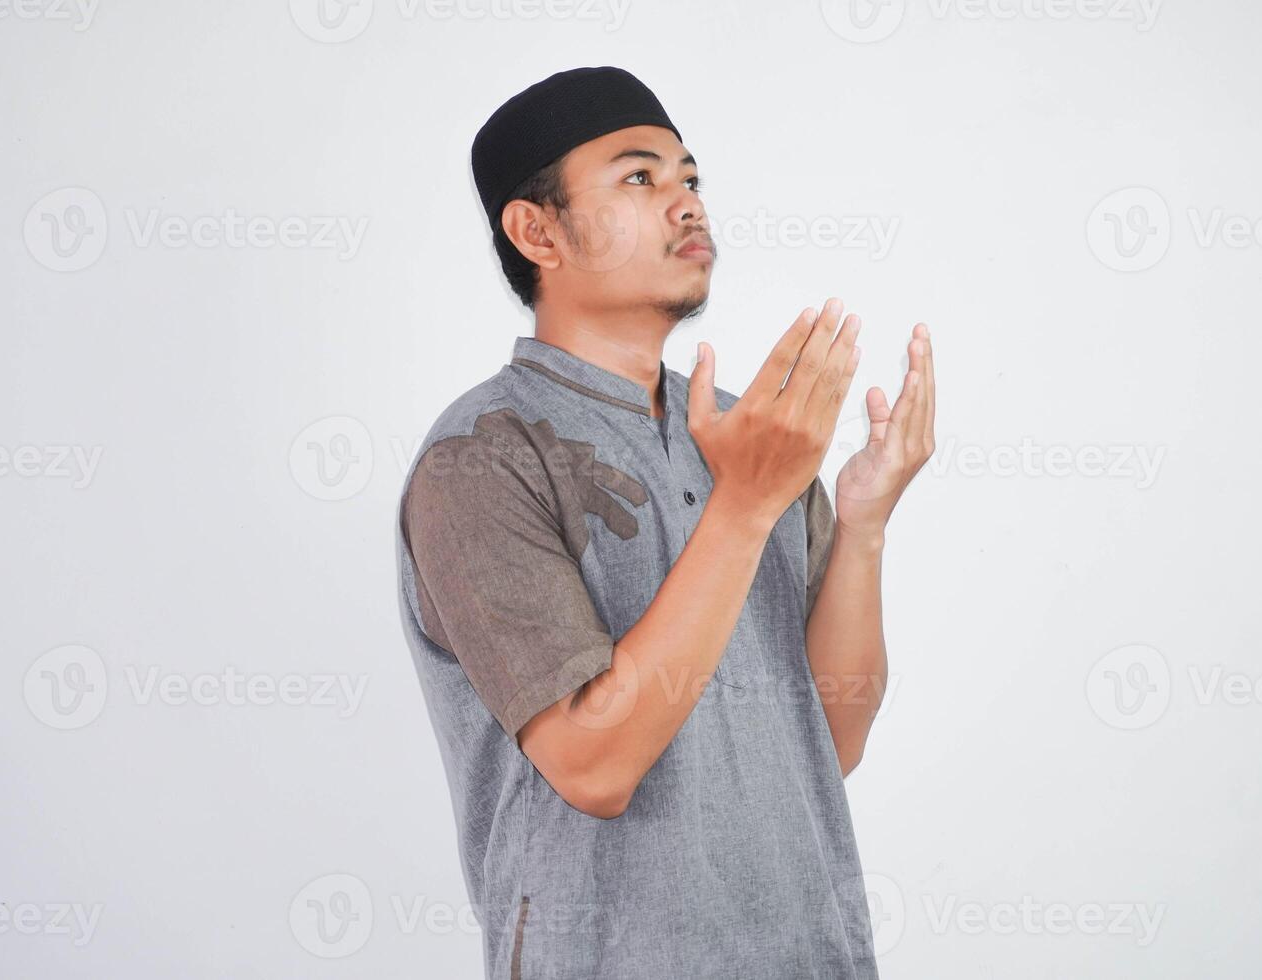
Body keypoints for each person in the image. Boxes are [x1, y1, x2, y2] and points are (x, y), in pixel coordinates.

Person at [395, 65, 936, 980]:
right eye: (638, 178)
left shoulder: (743, 434)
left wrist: (864, 520)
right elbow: (594, 767)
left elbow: (830, 738)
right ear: (536, 231)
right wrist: (748, 502)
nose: (686, 203)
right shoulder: (483, 460)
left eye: (690, 178)